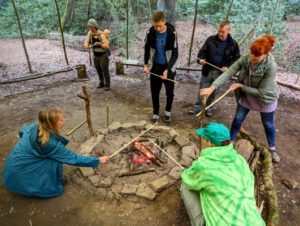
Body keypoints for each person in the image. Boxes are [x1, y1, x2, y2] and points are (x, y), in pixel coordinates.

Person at [200, 35, 280, 163]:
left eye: (256, 56)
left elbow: (263, 92)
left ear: (265, 54)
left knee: (268, 124)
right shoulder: (247, 59)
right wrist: (212, 87)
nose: (252, 58)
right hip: (246, 94)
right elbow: (228, 72)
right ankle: (229, 143)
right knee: (238, 118)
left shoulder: (271, 67)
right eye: (251, 53)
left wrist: (241, 86)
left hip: (264, 97)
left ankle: (272, 149)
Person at [2, 108, 109, 198]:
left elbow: (21, 132)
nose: (64, 120)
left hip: (13, 163)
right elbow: (73, 158)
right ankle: (46, 187)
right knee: (54, 162)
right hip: (20, 171)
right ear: (52, 123)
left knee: (53, 158)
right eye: (61, 119)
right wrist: (98, 160)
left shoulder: (35, 126)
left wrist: (28, 148)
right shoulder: (50, 143)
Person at [181, 122, 265, 226]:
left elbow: (187, 179)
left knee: (184, 186)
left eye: (203, 138)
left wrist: (189, 171)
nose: (201, 140)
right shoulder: (240, 160)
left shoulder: (204, 165)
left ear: (210, 143)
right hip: (254, 222)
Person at [188, 20, 240, 116]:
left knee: (214, 91)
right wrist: (201, 60)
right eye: (219, 31)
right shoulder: (211, 40)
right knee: (203, 89)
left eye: (223, 32)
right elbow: (201, 53)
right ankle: (197, 107)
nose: (220, 34)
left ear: (228, 31)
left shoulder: (233, 44)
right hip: (208, 70)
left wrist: (228, 67)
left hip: (220, 73)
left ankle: (209, 108)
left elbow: (237, 59)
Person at [144, 11, 178, 123]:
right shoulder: (150, 32)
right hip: (156, 66)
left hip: (169, 66)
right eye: (155, 26)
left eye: (160, 25)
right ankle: (155, 112)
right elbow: (147, 49)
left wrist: (167, 70)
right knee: (155, 91)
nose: (158, 28)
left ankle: (168, 111)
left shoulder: (172, 32)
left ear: (164, 21)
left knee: (169, 92)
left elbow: (175, 54)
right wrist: (146, 64)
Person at [84, 19, 111, 91]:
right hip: (96, 55)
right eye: (90, 28)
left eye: (92, 27)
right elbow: (86, 41)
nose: (91, 29)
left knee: (104, 70)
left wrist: (99, 44)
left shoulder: (101, 34)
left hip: (103, 55)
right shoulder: (90, 33)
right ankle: (101, 83)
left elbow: (107, 46)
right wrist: (86, 45)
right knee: (98, 70)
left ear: (95, 27)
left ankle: (107, 84)